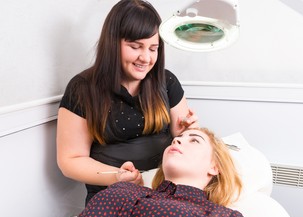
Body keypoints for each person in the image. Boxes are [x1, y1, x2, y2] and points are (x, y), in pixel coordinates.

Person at [32, 128, 258, 217]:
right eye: (177, 138)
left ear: (214, 167)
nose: (177, 140)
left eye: (194, 140)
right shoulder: (124, 190)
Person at [57, 0, 198, 205]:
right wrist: (117, 177)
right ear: (112, 43)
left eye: (153, 48)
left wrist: (190, 131)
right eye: (135, 47)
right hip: (112, 197)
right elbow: (70, 160)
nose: (146, 58)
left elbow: (183, 139)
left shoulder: (167, 82)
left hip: (164, 194)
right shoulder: (82, 89)